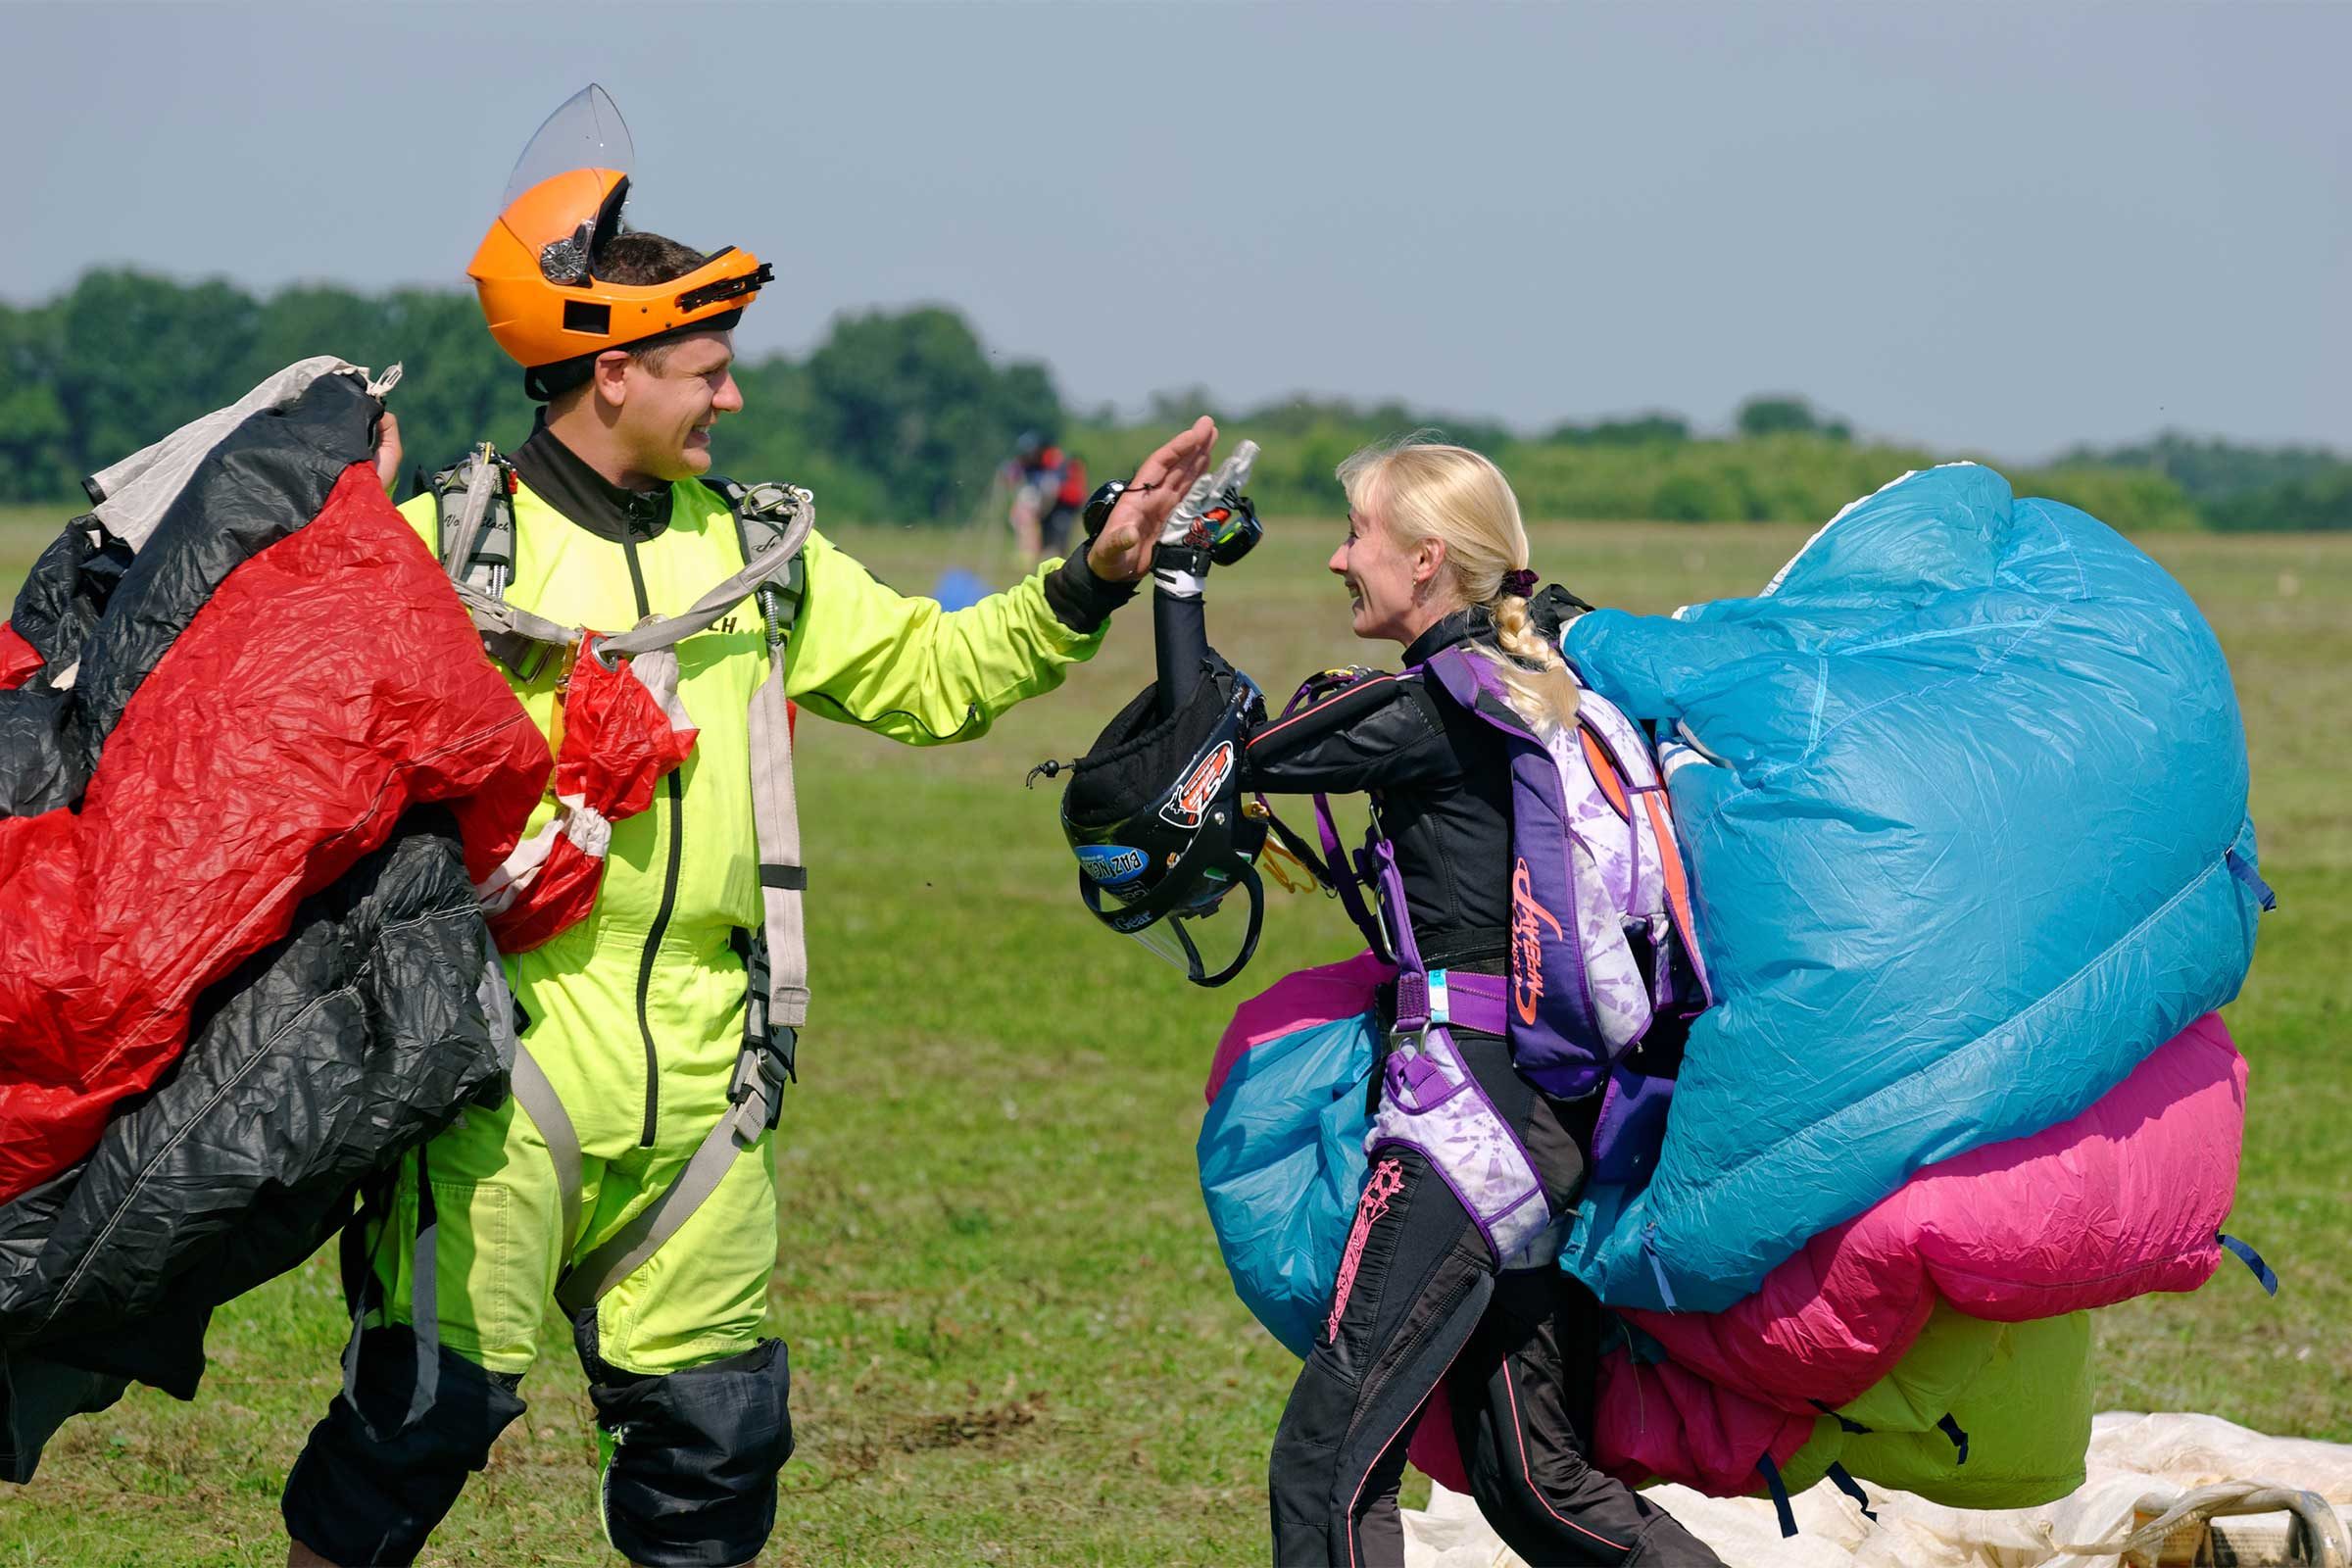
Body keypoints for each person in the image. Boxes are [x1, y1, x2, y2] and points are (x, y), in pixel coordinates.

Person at [279, 99, 1215, 1568]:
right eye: (707, 370)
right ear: (612, 372)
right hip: (492, 1062)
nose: (732, 396)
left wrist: (1088, 579)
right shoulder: (450, 546)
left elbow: (929, 674)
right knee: (413, 1429)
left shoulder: (759, 554)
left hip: (713, 1078)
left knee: (713, 1463)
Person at [1236, 442, 1722, 1565]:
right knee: (1534, 1483)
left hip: (1467, 1123)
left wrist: (1173, 584)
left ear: (1425, 559)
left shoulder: (1435, 705)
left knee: (1327, 1463)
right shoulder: (1535, 682)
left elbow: (1227, 759)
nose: (1337, 559)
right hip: (1550, 1118)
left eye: (1354, 534)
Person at [1002, 429, 1089, 563]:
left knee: (1058, 531)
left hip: (1065, 503)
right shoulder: (1031, 462)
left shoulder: (1053, 458)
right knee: (1041, 528)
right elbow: (1014, 470)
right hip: (1050, 503)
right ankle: (1038, 555)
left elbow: (1053, 484)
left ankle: (1055, 557)